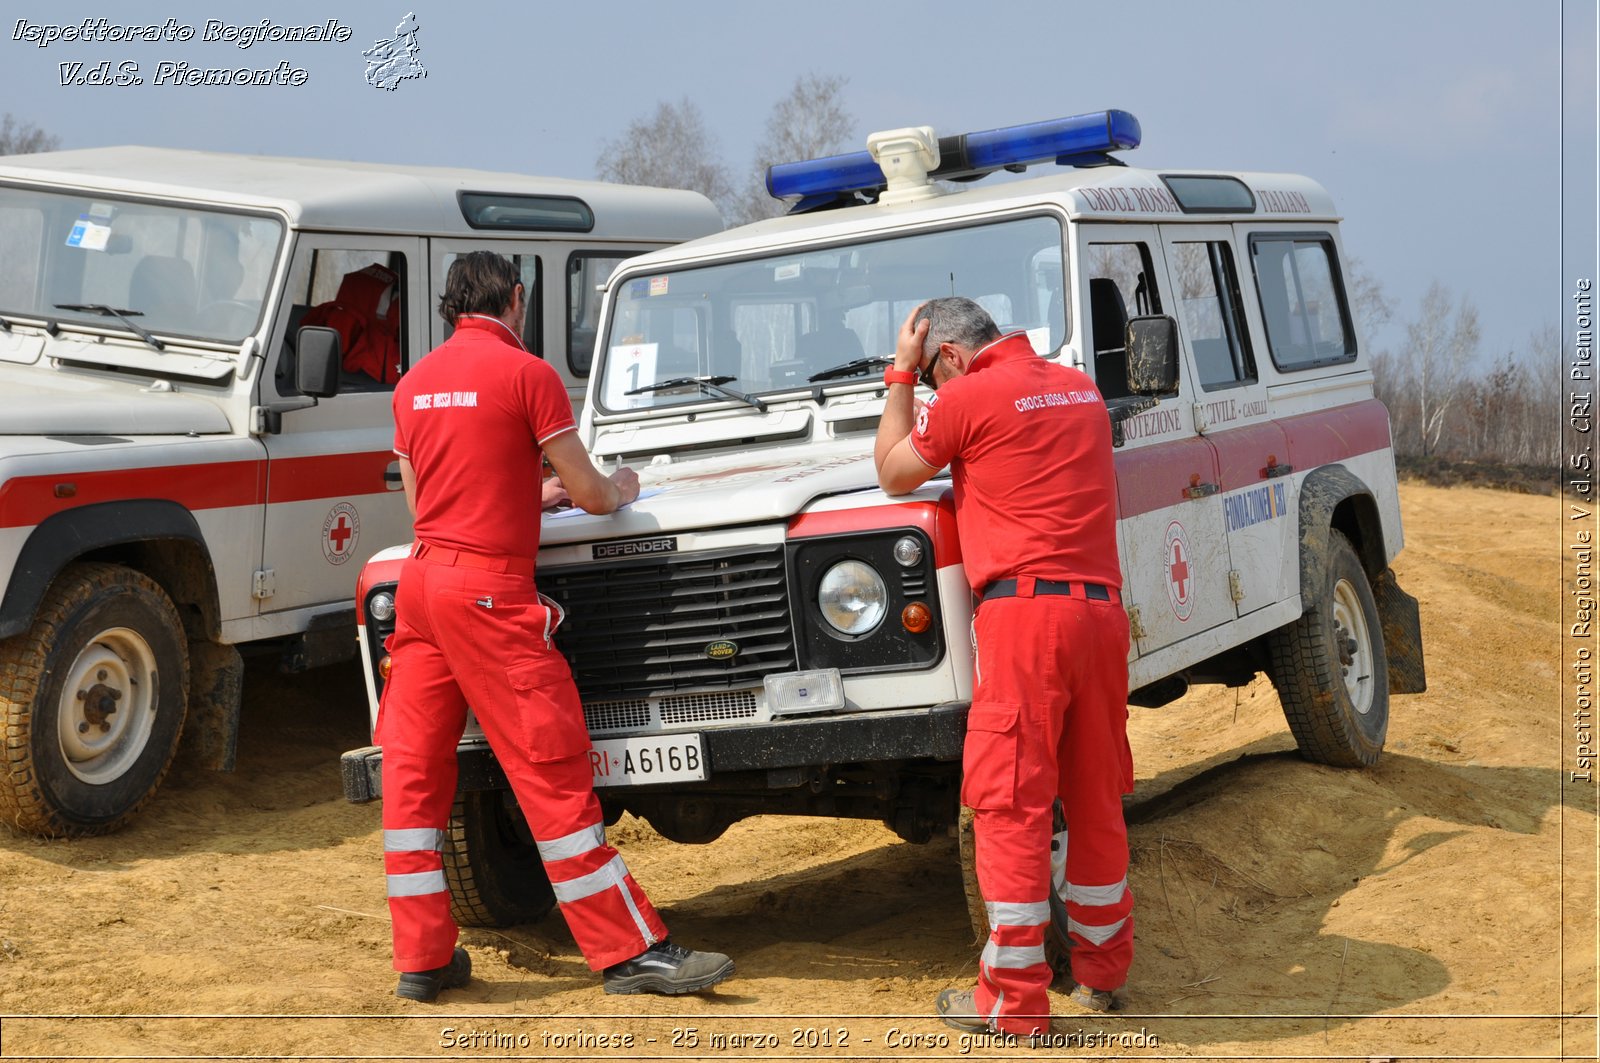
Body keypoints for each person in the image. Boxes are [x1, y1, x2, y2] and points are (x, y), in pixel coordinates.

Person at [379, 251, 734, 1002]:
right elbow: (594, 495)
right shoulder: (528, 376)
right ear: (516, 299)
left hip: (422, 585)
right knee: (549, 768)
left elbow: (426, 506)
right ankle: (628, 949)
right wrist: (622, 483)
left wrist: (517, 495)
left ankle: (423, 959)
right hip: (487, 595)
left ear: (450, 308)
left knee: (412, 777)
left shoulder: (412, 386)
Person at [873, 298, 1133, 1036]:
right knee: (1094, 793)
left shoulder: (969, 394)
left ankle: (1014, 1000)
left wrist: (898, 375)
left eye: (930, 373)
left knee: (1010, 801)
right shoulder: (1077, 386)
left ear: (949, 355)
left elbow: (894, 472)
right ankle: (1104, 971)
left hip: (1025, 618)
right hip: (1102, 612)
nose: (927, 388)